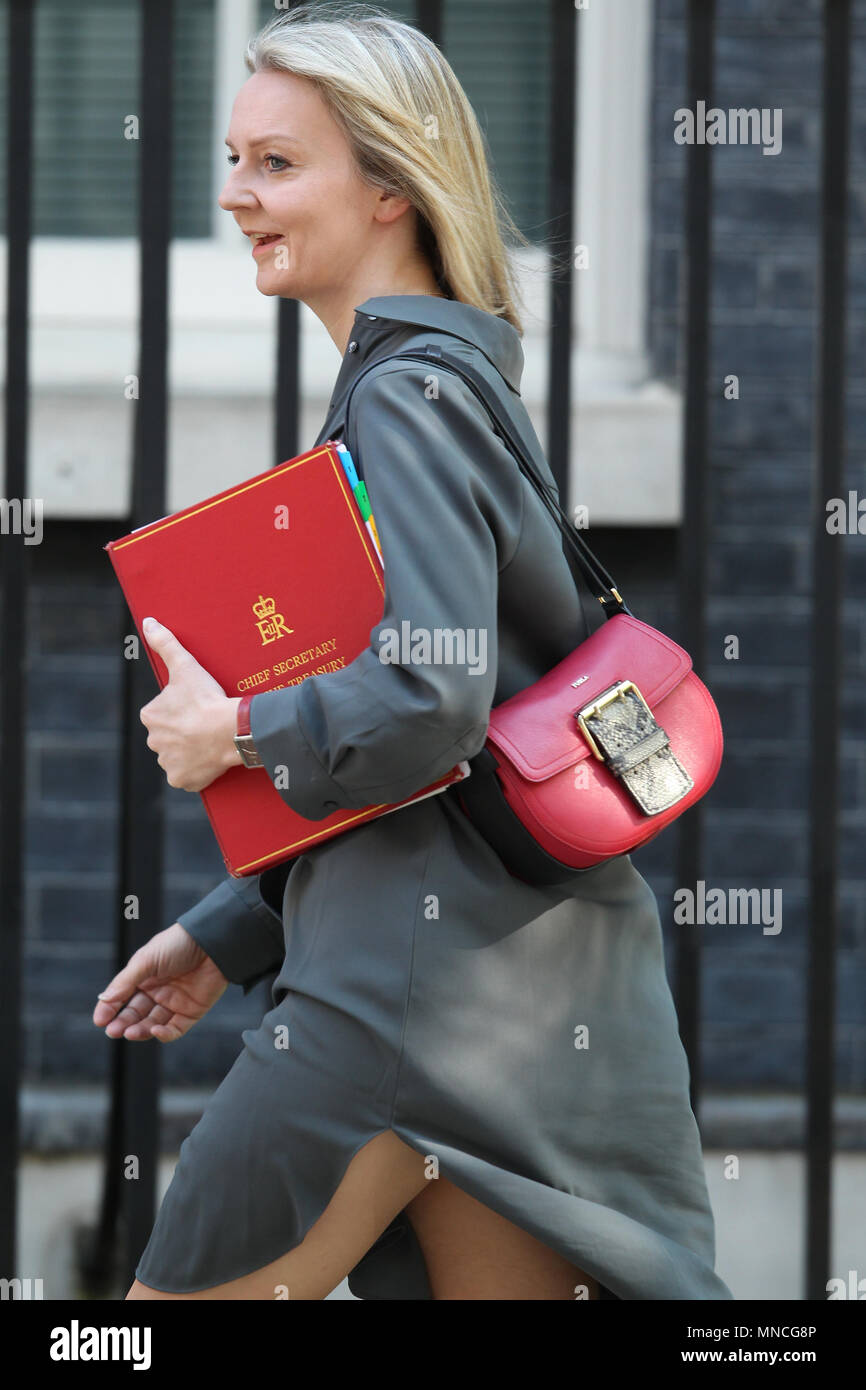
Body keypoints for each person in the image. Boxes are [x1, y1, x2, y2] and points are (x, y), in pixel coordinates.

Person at [92, 2, 733, 1302]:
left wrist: (236, 734)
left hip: (392, 1008)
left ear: (389, 185)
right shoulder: (444, 380)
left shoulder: (407, 394)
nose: (235, 196)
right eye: (233, 159)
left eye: (277, 163)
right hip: (519, 996)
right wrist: (228, 928)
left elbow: (433, 697)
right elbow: (464, 714)